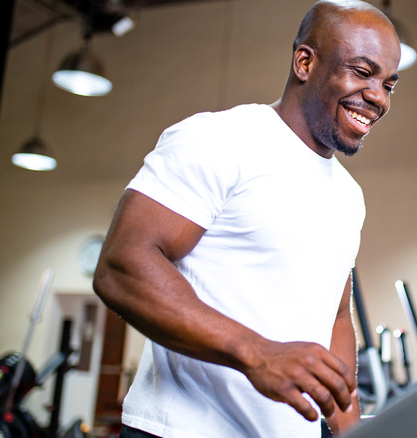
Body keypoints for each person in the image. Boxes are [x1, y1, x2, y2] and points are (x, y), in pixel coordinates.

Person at [92, 1, 401, 437]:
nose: (378, 97)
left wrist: (348, 425)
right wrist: (257, 354)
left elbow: (333, 315)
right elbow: (121, 266)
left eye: (389, 84)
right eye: (361, 72)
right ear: (305, 62)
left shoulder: (349, 195)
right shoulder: (219, 139)